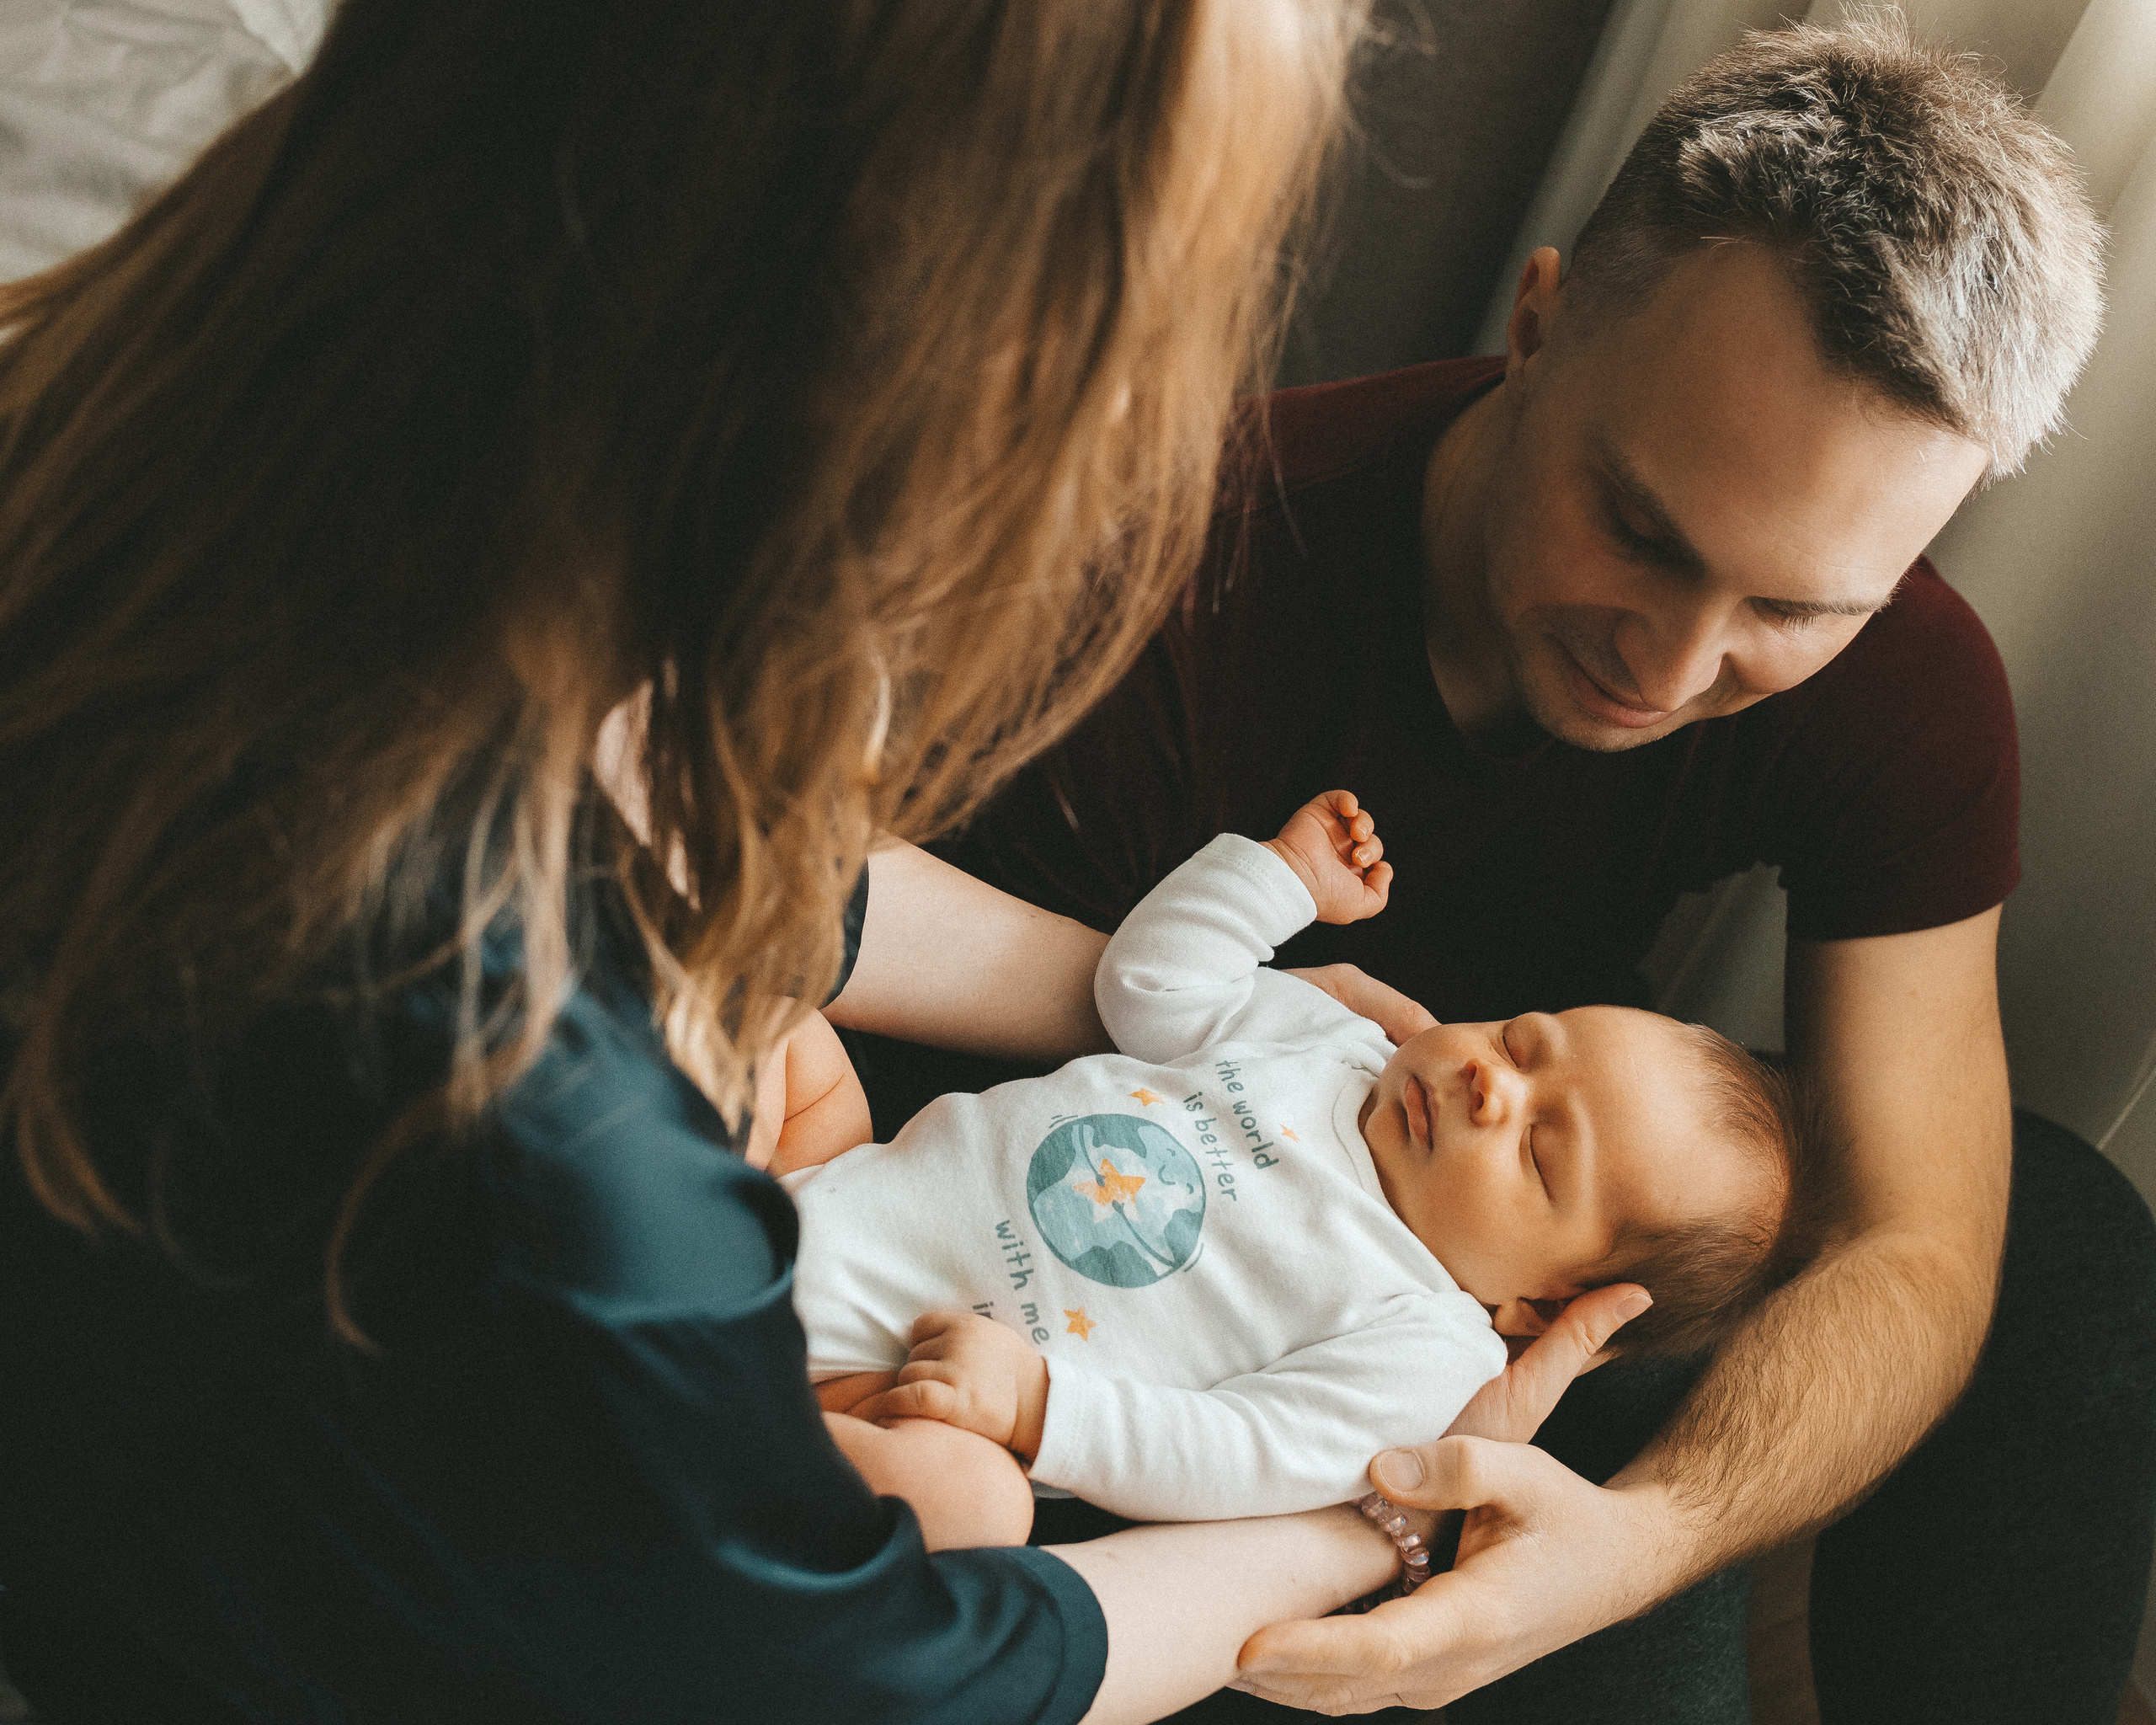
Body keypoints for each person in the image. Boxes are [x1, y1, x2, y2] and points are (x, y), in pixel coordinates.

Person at [0, 5, 1666, 1722]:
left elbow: (679, 810)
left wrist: (1190, 1009)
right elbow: (893, 1677)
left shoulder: (176, 422)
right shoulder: (528, 1141)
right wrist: (1368, 1531)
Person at [910, 15, 2156, 1723]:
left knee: (2062, 1242)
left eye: (1794, 608)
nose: (1671, 660)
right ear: (1537, 323)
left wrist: (1639, 1537)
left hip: (1532, 1279)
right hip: (1145, 1296)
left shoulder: (1900, 682)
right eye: (1640, 534)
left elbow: (1916, 1239)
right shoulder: (1169, 572)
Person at [776, 791, 1803, 1547]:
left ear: (1536, 1307)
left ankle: (733, 1430)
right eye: (1520, 1041)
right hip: (818, 1192)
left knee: (974, 1504)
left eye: (1537, 1151)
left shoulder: (1424, 1339)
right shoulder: (1330, 1045)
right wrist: (1281, 878)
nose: (1491, 1084)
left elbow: (1241, 1449)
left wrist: (1044, 1408)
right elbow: (1147, 982)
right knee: (779, 1025)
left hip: (895, 1376)